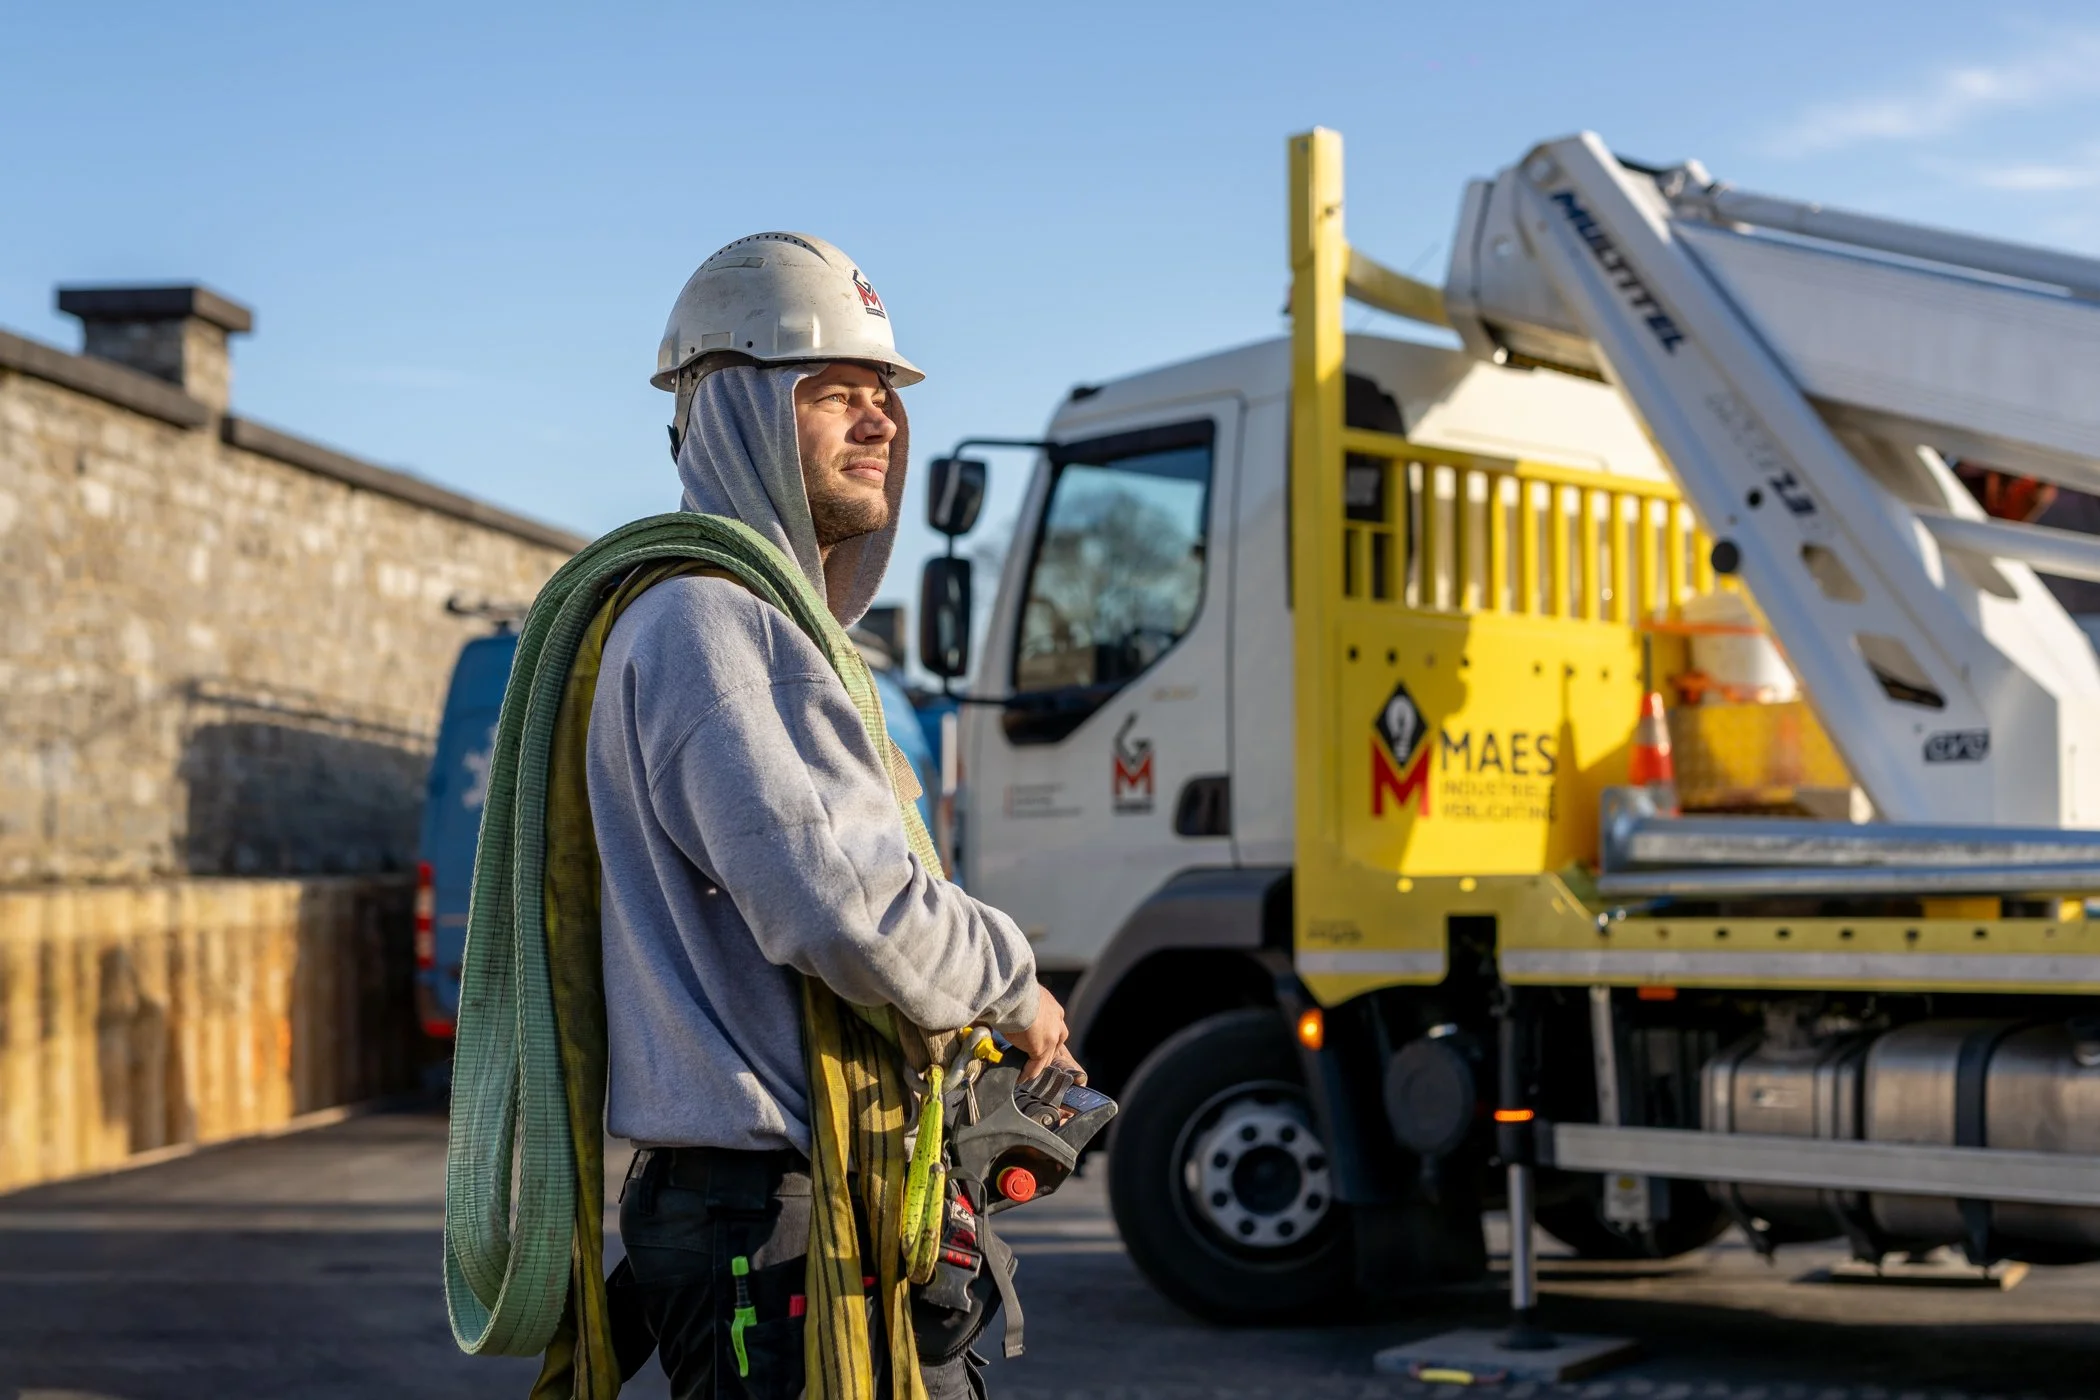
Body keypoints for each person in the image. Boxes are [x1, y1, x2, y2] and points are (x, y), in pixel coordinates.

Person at [593, 232, 1074, 1400]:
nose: (881, 424)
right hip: (770, 1215)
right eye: (834, 394)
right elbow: (850, 911)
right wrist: (1013, 980)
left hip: (786, 1205)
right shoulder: (715, 628)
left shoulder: (739, 627)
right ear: (736, 411)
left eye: (886, 397)